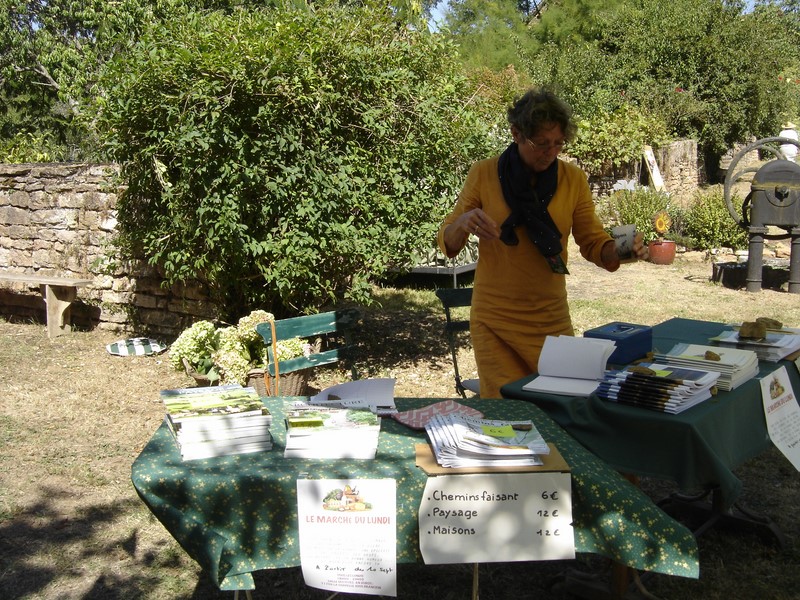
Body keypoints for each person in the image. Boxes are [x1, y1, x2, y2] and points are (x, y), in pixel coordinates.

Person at [437, 88, 648, 398]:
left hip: (550, 318)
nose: (550, 152)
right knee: (506, 413)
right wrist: (462, 224)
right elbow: (448, 240)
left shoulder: (573, 179)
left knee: (560, 405)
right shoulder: (483, 174)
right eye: (541, 144)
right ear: (517, 134)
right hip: (495, 320)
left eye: (558, 143)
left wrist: (621, 248)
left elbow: (592, 242)